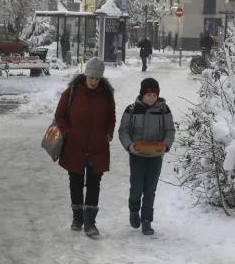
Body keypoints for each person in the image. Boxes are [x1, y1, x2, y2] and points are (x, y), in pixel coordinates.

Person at [54, 58, 117, 238]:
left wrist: (108, 134)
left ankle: (90, 221)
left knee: (93, 184)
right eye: (91, 78)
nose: (94, 82)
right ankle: (77, 217)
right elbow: (59, 115)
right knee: (75, 182)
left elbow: (111, 117)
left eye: (97, 79)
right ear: (85, 75)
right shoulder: (72, 92)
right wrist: (67, 132)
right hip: (75, 146)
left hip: (98, 147)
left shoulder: (106, 95)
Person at [118, 78, 175, 235]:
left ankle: (147, 220)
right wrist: (129, 145)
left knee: (150, 189)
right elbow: (123, 130)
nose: (151, 98)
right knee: (137, 187)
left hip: (156, 156)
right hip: (137, 154)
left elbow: (170, 131)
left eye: (154, 95)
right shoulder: (131, 109)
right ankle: (134, 209)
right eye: (148, 95)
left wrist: (165, 145)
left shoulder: (164, 110)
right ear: (142, 94)